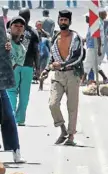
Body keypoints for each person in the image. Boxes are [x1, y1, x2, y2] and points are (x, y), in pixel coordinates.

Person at [40, 10, 84, 146]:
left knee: (72, 107)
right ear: (58, 21)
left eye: (65, 20)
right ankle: (63, 129)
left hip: (72, 74)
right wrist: (47, 69)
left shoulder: (76, 37)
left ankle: (71, 136)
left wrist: (63, 64)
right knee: (53, 104)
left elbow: (79, 57)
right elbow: (51, 57)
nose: (63, 22)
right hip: (57, 76)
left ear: (69, 22)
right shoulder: (55, 38)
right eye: (61, 20)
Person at [7, 7, 39, 126]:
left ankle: (11, 116)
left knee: (11, 91)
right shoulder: (33, 32)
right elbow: (36, 51)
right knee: (24, 94)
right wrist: (38, 67)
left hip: (14, 65)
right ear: (29, 18)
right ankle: (20, 119)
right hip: (28, 66)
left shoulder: (11, 29)